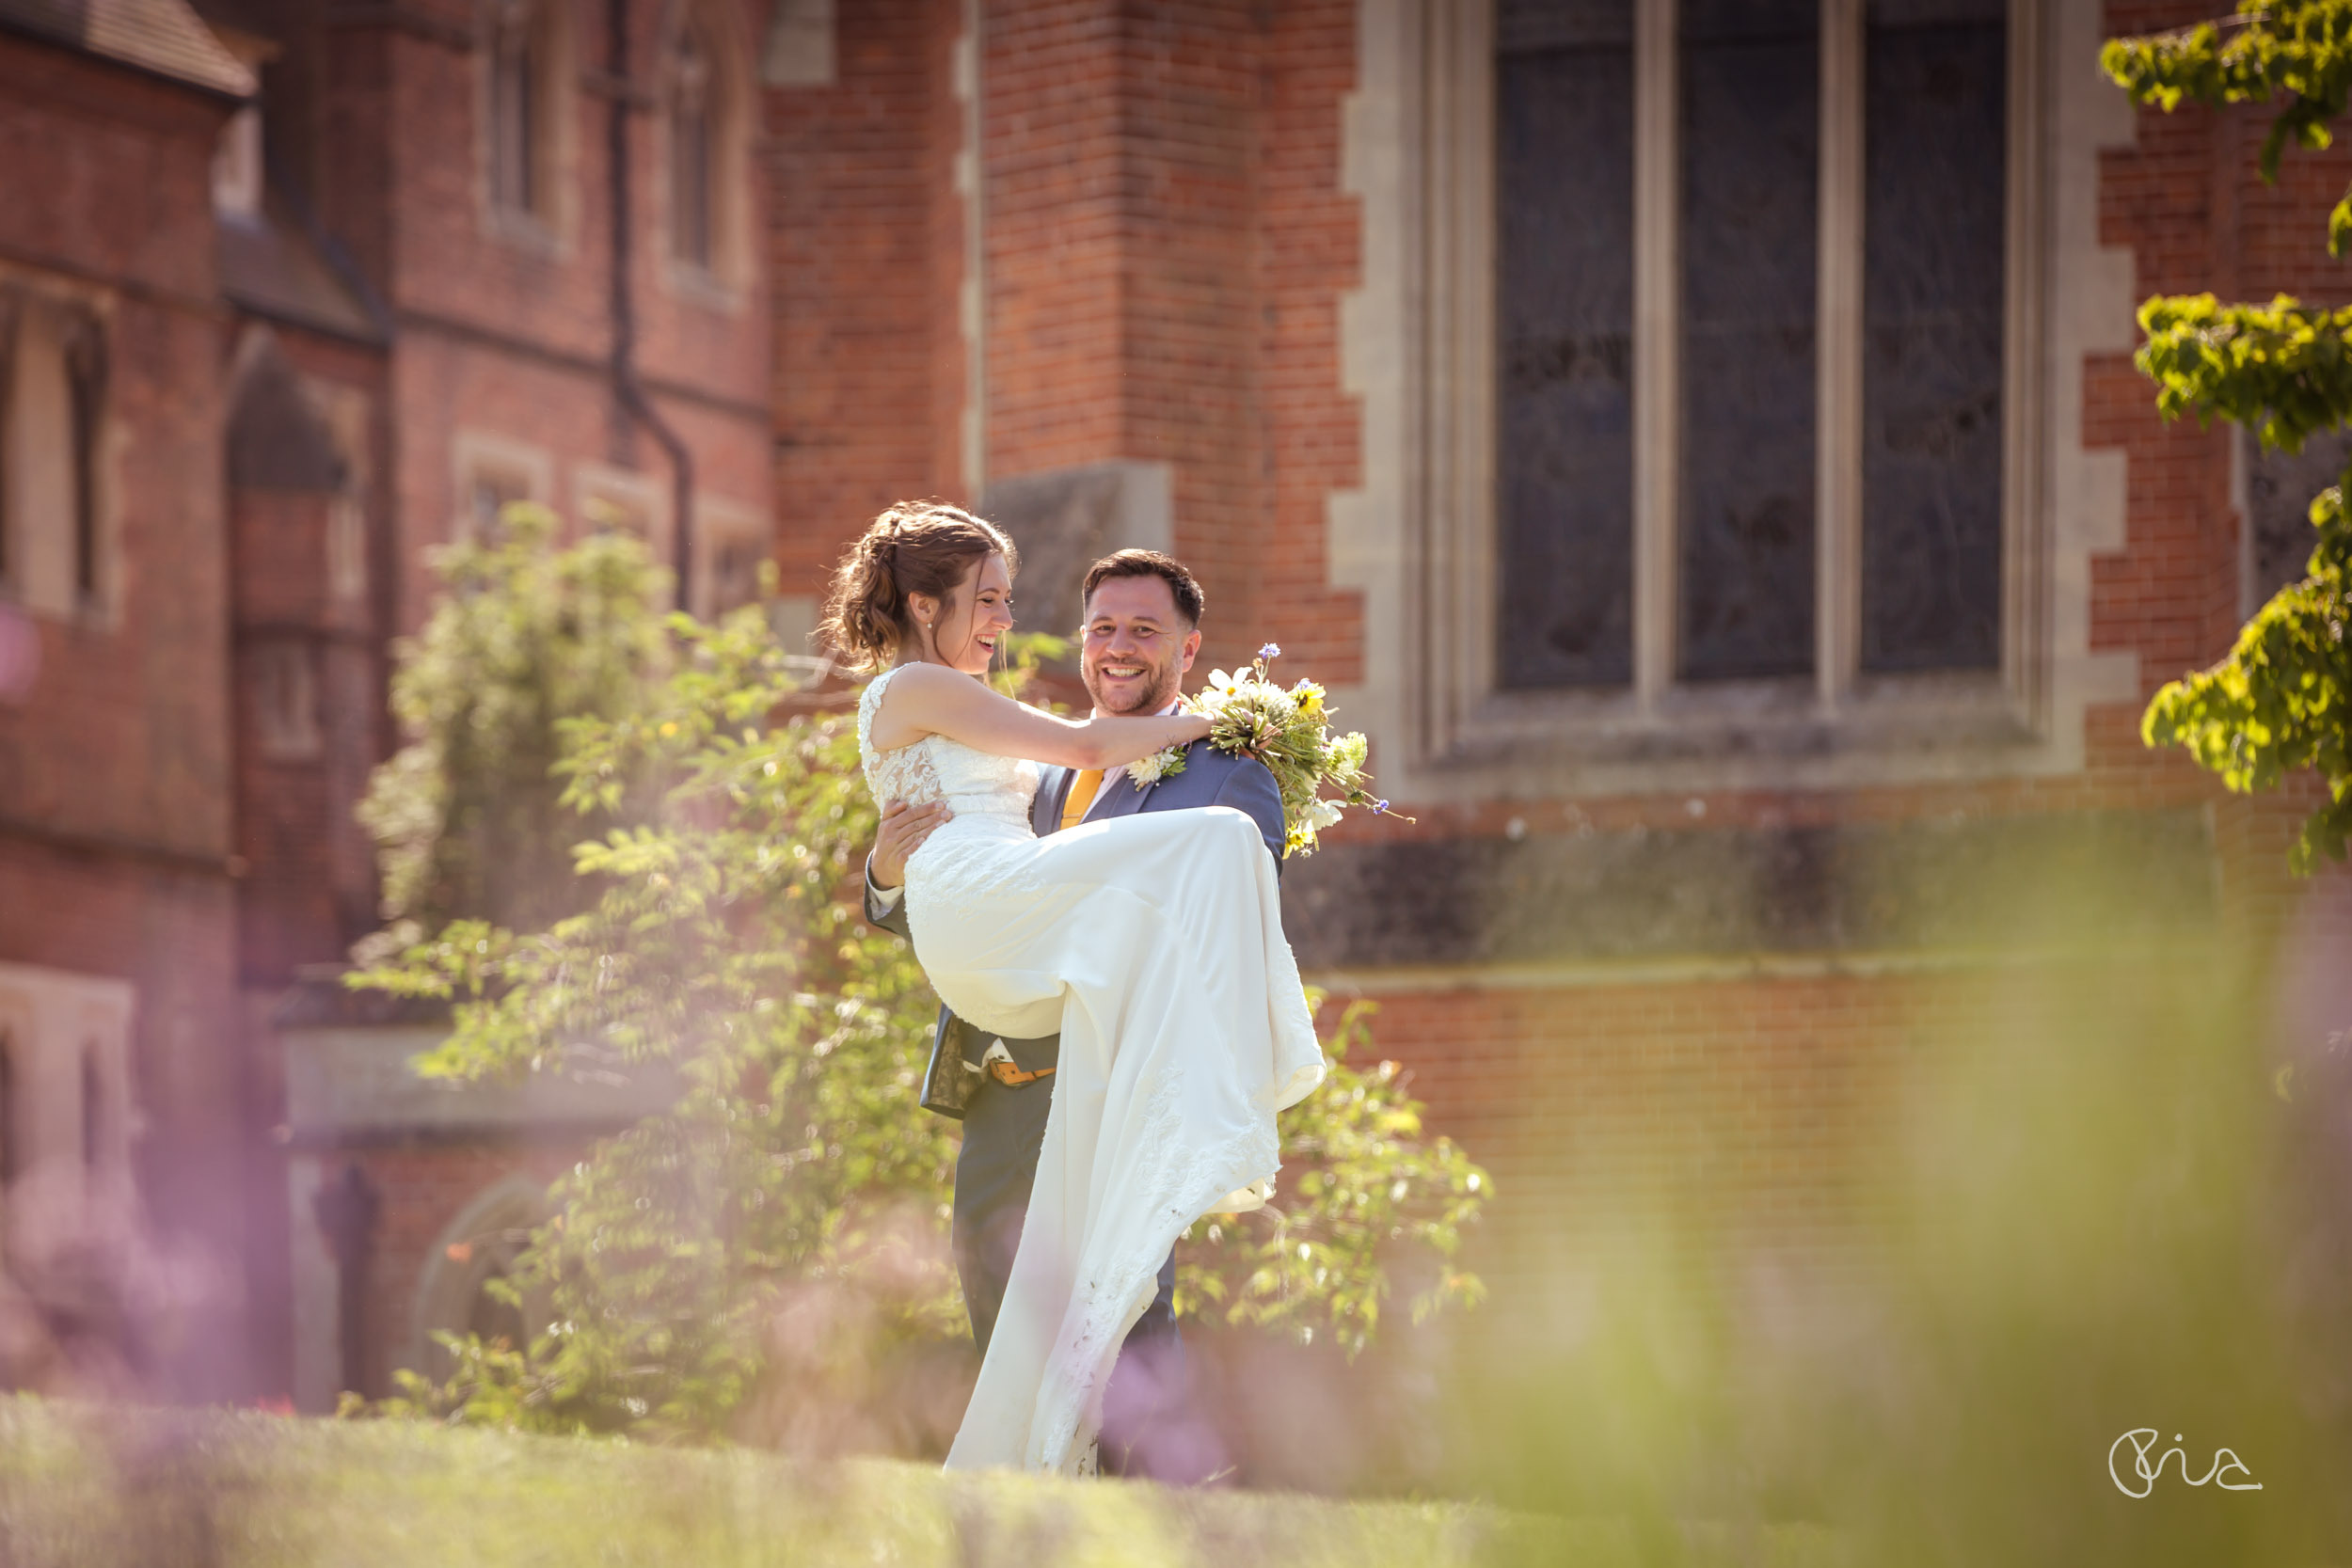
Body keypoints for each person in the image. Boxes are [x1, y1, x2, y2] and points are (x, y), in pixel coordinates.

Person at [826, 501, 1323, 1475]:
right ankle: (1027, 1488)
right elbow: (928, 878)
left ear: (1188, 647)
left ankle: (1150, 1501)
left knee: (1124, 1309)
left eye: (1143, 629)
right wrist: (883, 871)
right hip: (999, 1080)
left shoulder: (1225, 774)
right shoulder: (1020, 736)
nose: (1113, 645)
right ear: (926, 604)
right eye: (1101, 626)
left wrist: (1244, 732)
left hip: (1100, 1077)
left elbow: (1232, 895)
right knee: (997, 1306)